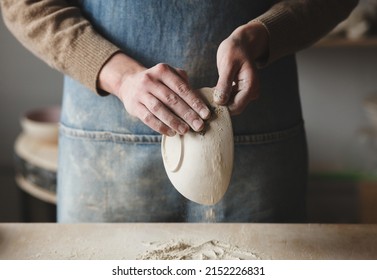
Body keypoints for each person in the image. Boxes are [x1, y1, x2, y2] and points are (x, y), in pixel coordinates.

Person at [1, 0, 358, 222]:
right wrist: (120, 76)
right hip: (107, 146)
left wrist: (261, 35)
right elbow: (25, 4)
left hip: (256, 147)